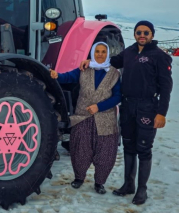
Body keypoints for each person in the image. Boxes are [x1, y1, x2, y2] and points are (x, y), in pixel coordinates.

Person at [80, 21, 173, 204]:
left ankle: (142, 190)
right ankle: (128, 184)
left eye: (146, 32)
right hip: (127, 106)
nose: (142, 35)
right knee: (129, 147)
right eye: (139, 32)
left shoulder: (159, 56)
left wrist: (161, 113)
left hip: (147, 107)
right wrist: (91, 61)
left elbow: (166, 86)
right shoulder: (129, 52)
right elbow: (110, 61)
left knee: (144, 149)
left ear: (152, 35)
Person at [50, 42, 121, 194]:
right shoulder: (84, 69)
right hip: (83, 116)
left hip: (105, 119)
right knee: (80, 149)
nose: (100, 54)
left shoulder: (114, 74)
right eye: (97, 52)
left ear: (107, 54)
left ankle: (99, 183)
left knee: (105, 152)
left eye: (103, 52)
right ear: (92, 53)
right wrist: (57, 75)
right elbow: (68, 77)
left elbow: (117, 97)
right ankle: (79, 178)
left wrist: (99, 107)